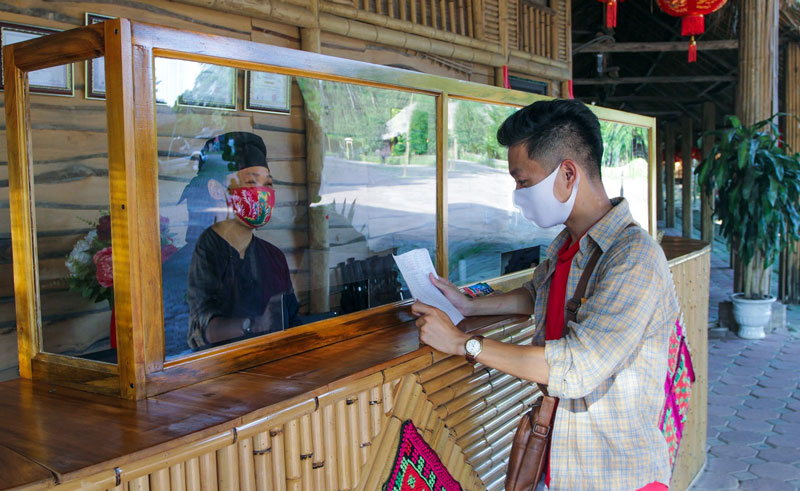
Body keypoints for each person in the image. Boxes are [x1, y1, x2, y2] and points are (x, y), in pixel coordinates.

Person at [411, 99, 678, 490]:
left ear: (568, 173)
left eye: (522, 181)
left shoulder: (635, 259)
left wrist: (463, 344)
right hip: (562, 461)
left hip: (614, 475)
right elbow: (538, 293)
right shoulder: (567, 243)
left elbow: (577, 366)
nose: (517, 194)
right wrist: (468, 304)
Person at [186, 132, 300, 349]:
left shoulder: (274, 257)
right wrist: (253, 325)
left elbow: (292, 320)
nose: (262, 193)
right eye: (251, 182)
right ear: (217, 190)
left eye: (267, 184)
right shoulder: (198, 253)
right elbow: (200, 331)